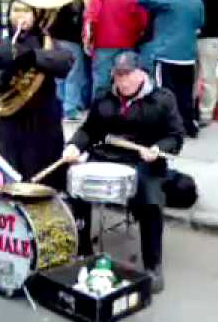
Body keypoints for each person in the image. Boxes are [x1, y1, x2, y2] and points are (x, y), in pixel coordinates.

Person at [62, 51, 185, 294]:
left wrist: (159, 148)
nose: (123, 80)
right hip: (107, 155)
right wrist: (75, 145)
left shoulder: (163, 99)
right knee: (75, 186)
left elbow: (175, 136)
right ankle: (83, 249)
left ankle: (152, 265)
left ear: (142, 73)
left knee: (151, 201)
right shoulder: (103, 97)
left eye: (128, 74)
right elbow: (89, 130)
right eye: (118, 75)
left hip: (144, 160)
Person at [0, 0, 73, 190]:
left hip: (44, 121)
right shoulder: (1, 48)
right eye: (15, 10)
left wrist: (34, 57)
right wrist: (5, 77)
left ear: (35, 15)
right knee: (11, 174)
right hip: (12, 120)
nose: (20, 16)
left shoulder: (46, 42)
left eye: (26, 11)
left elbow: (65, 63)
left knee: (45, 178)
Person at [138, 0, 205, 138]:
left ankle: (166, 128)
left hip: (166, 54)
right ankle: (189, 126)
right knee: (185, 94)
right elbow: (200, 23)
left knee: (164, 94)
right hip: (188, 56)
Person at [84, 0, 148, 101]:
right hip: (127, 43)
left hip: (104, 44)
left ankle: (100, 113)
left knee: (102, 81)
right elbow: (142, 21)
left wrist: (87, 40)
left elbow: (91, 18)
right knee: (126, 81)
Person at [187, 0, 218, 128]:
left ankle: (206, 113)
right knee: (193, 77)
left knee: (208, 77)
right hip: (193, 39)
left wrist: (201, 28)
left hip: (208, 39)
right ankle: (191, 109)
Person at [53, 0, 88, 121]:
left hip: (55, 39)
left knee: (59, 76)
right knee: (73, 75)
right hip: (71, 40)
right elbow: (80, 20)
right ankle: (70, 109)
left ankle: (59, 108)